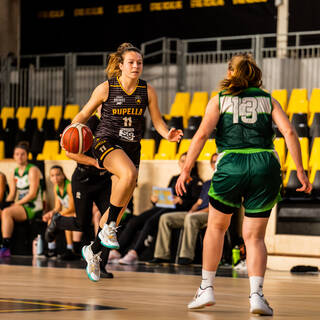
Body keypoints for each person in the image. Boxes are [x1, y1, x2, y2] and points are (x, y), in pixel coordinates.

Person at [175, 53, 312, 315]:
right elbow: (290, 132)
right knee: (254, 237)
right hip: (265, 165)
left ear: (230, 74)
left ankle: (207, 288)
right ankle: (257, 296)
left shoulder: (219, 100)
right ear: (254, 74)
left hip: (231, 165)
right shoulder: (268, 98)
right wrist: (301, 172)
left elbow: (202, 134)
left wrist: (186, 170)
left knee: (216, 227)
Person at [70, 43, 183, 281]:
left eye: (139, 62)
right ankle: (108, 230)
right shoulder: (106, 88)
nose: (136, 66)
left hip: (132, 148)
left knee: (117, 210)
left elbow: (158, 122)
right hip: (106, 142)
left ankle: (94, 251)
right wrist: (71, 128)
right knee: (129, 176)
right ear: (120, 65)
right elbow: (84, 113)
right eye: (131, 62)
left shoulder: (147, 90)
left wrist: (167, 134)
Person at [45, 109, 114, 278]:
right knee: (82, 224)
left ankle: (100, 265)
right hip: (83, 181)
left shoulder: (118, 126)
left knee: (110, 222)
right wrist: (94, 162)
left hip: (104, 181)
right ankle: (58, 220)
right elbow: (69, 152)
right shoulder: (91, 123)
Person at [108, 152, 202, 265]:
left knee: (151, 222)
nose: (184, 164)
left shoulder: (196, 181)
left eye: (187, 161)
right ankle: (117, 251)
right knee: (135, 221)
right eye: (182, 161)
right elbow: (168, 195)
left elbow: (197, 202)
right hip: (164, 206)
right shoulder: (175, 178)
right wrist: (156, 199)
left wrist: (181, 201)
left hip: (178, 209)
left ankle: (134, 253)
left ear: (192, 164)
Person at [149, 153, 218, 266]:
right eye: (213, 162)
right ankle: (162, 255)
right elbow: (198, 202)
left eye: (218, 161)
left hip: (211, 214)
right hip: (196, 213)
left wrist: (196, 212)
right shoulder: (207, 183)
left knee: (191, 218)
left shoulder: (225, 181)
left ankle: (186, 257)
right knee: (166, 218)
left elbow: (215, 207)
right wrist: (192, 210)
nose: (216, 164)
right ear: (211, 165)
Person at [0, 141, 44, 257]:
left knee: (7, 212)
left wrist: (14, 205)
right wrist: (4, 204)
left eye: (22, 154)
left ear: (27, 155)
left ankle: (6, 247)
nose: (20, 156)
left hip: (33, 206)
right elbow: (12, 193)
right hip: (20, 205)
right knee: (3, 210)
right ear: (14, 156)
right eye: (17, 154)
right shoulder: (14, 172)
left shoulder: (32, 170)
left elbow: (32, 194)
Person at [42, 165, 81, 260]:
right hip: (68, 211)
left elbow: (72, 208)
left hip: (77, 211)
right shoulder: (56, 188)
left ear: (63, 175)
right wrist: (50, 213)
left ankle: (70, 249)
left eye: (57, 174)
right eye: (52, 175)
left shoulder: (69, 186)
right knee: (50, 219)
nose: (55, 177)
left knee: (66, 218)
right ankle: (52, 249)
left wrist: (58, 214)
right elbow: (57, 207)